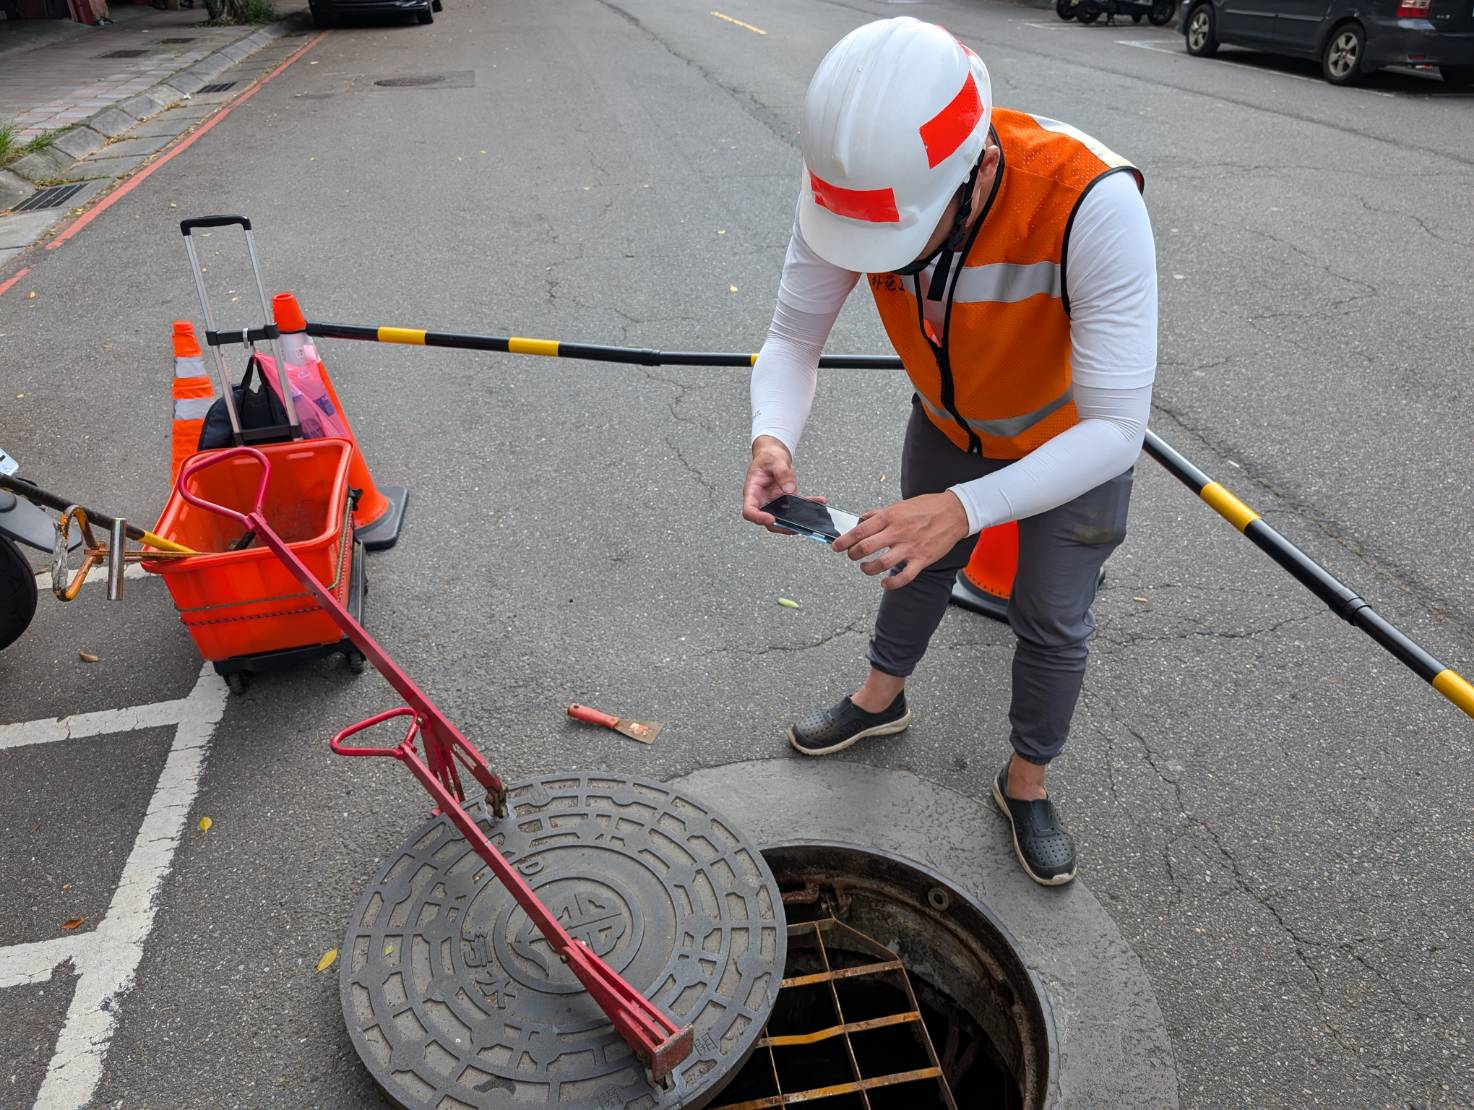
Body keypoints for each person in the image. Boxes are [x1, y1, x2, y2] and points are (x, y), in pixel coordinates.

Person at [741, 17, 1157, 887]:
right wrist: (772, 434)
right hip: (947, 423)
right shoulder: (852, 184)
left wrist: (966, 509)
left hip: (1068, 446)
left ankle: (1026, 783)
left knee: (1051, 619)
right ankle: (877, 702)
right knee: (912, 562)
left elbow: (1118, 428)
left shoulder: (1091, 200)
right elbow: (792, 336)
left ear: (972, 171)